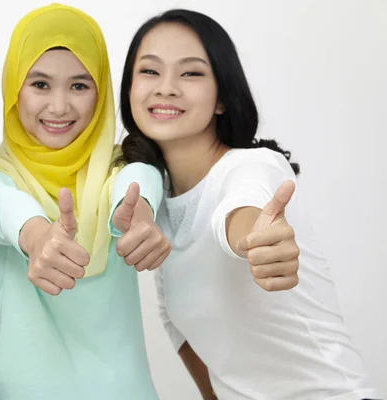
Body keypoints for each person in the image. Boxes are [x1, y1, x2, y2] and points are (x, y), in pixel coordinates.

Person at [118, 9, 379, 400]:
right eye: (150, 72)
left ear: (222, 98)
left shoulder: (253, 165)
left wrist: (257, 240)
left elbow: (241, 212)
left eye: (190, 73)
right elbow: (179, 328)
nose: (166, 88)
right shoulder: (161, 205)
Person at [0, 4, 169, 399]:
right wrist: (36, 236)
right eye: (39, 84)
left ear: (101, 92)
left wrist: (141, 213)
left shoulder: (119, 168)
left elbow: (140, 179)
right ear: (14, 88)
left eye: (80, 85)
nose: (59, 106)